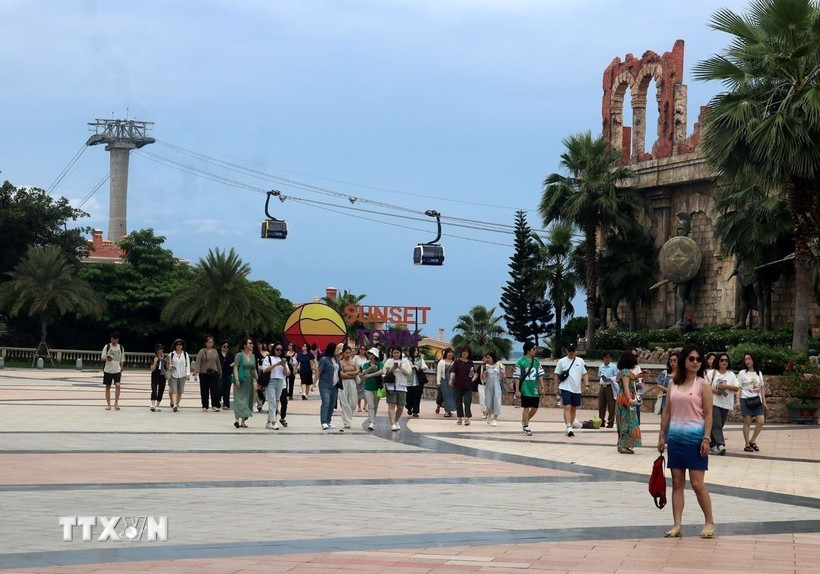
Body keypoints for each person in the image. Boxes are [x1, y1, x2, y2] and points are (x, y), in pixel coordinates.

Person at [658, 344, 715, 539]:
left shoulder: (703, 385)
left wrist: (707, 438)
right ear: (684, 360)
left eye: (699, 359)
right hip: (675, 438)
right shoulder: (673, 383)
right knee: (677, 482)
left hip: (696, 438)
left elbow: (708, 414)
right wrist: (661, 435)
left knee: (698, 484)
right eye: (691, 359)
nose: (695, 362)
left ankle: (709, 522)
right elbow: (667, 411)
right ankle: (677, 525)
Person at [554, 343, 588, 437]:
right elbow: (556, 374)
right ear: (567, 351)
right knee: (567, 407)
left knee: (573, 408)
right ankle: (568, 427)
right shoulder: (561, 361)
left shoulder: (580, 361)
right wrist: (555, 387)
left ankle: (570, 426)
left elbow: (585, 373)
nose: (572, 352)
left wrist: (586, 385)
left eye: (573, 350)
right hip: (565, 387)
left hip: (576, 389)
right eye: (570, 350)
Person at [513, 342, 546, 436]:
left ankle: (525, 420)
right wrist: (517, 390)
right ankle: (526, 426)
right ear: (528, 350)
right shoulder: (520, 361)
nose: (535, 351)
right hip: (525, 388)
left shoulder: (536, 362)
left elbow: (540, 375)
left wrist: (542, 387)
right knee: (526, 408)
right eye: (534, 349)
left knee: (535, 408)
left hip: (534, 388)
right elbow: (517, 377)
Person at [737, 352, 768, 453]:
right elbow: (739, 388)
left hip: (756, 399)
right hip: (745, 399)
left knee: (761, 421)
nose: (747, 361)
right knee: (747, 422)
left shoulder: (759, 373)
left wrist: (764, 401)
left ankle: (752, 441)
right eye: (746, 359)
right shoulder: (742, 373)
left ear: (753, 360)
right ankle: (746, 444)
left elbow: (762, 388)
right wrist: (737, 400)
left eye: (749, 359)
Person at [709, 352, 739, 455]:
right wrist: (715, 391)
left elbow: (736, 387)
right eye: (722, 360)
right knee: (717, 424)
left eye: (726, 360)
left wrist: (725, 387)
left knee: (719, 425)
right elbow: (704, 385)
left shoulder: (731, 375)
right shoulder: (712, 373)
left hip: (726, 403)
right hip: (713, 402)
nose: (724, 362)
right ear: (718, 361)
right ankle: (721, 444)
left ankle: (712, 444)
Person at [615, 351, 642, 454]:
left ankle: (622, 444)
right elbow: (626, 386)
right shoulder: (626, 372)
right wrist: (629, 399)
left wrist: (638, 376)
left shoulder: (622, 371)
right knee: (627, 421)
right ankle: (623, 445)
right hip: (625, 399)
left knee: (624, 421)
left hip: (621, 398)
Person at [262, 342, 290, 430]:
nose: (279, 351)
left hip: (280, 381)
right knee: (272, 402)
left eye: (281, 350)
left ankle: (269, 421)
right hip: (271, 381)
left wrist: (284, 366)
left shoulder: (283, 360)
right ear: (274, 349)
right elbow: (265, 370)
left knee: (276, 401)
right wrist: (276, 364)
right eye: (277, 349)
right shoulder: (268, 358)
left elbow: (287, 373)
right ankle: (274, 422)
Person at [384, 345, 411, 431]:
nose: (396, 354)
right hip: (391, 386)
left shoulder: (405, 361)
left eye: (397, 352)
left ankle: (396, 421)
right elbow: (385, 372)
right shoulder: (389, 361)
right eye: (394, 352)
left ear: (400, 353)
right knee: (391, 405)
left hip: (402, 386)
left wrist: (400, 367)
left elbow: (409, 372)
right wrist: (393, 368)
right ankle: (392, 423)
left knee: (401, 406)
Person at [232, 337, 258, 428]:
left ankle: (243, 421)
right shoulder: (239, 355)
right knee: (239, 399)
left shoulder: (253, 356)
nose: (251, 345)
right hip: (241, 380)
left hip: (249, 381)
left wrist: (257, 379)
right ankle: (236, 420)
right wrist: (237, 379)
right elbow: (235, 367)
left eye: (252, 343)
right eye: (249, 343)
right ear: (244, 345)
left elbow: (254, 368)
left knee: (247, 399)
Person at [317, 342, 342, 431]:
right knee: (326, 403)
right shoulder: (324, 360)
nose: (337, 351)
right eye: (336, 349)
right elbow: (319, 372)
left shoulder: (337, 360)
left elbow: (339, 372)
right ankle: (323, 422)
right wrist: (313, 383)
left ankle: (328, 421)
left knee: (332, 404)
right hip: (324, 385)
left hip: (334, 386)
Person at [196, 335, 223, 412]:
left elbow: (218, 362)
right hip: (204, 373)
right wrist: (196, 371)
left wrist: (220, 371)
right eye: (209, 342)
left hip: (213, 373)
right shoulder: (202, 351)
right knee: (204, 389)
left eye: (212, 342)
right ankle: (205, 405)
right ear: (205, 343)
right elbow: (198, 361)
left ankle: (214, 405)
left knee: (214, 389)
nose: (211, 344)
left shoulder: (215, 351)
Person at [449, 346, 475, 425]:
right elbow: (453, 372)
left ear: (468, 353)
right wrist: (451, 380)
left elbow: (472, 374)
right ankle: (460, 418)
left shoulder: (470, 362)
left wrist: (472, 373)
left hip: (467, 385)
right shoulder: (457, 362)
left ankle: (467, 418)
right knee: (458, 402)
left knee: (467, 401)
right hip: (458, 385)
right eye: (463, 351)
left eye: (466, 352)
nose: (465, 353)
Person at [361, 347, 384, 431]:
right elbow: (363, 373)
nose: (369, 355)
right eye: (369, 353)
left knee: (375, 405)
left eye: (371, 354)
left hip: (377, 387)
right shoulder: (366, 364)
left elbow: (382, 371)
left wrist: (371, 375)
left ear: (375, 355)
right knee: (370, 405)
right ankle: (372, 422)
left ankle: (372, 420)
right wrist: (370, 368)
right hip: (368, 387)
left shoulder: (379, 363)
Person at [101, 331, 125, 410]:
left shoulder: (121, 347)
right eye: (112, 339)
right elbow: (102, 357)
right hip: (108, 370)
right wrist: (107, 358)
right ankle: (108, 404)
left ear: (117, 339)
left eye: (114, 339)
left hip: (117, 370)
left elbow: (122, 360)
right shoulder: (107, 346)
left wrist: (121, 369)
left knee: (118, 385)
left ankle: (116, 403)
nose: (113, 341)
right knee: (108, 387)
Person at [338, 345, 359, 430]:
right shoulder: (341, 362)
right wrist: (352, 374)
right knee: (344, 402)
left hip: (352, 383)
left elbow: (357, 371)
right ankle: (347, 422)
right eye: (346, 352)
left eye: (349, 352)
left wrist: (350, 374)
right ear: (343, 353)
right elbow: (342, 375)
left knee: (353, 402)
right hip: (343, 383)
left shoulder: (353, 362)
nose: (348, 354)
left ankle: (348, 416)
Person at [480, 352, 504, 426]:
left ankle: (495, 419)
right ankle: (489, 414)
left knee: (496, 401)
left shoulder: (499, 365)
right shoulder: (486, 366)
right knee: (488, 401)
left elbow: (504, 376)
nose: (487, 359)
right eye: (486, 358)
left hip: (497, 386)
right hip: (488, 385)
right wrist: (484, 370)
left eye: (489, 357)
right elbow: (483, 379)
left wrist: (502, 375)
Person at [167, 338, 190, 412]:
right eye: (177, 345)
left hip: (182, 375)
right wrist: (171, 366)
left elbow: (187, 365)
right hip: (173, 374)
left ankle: (177, 404)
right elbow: (168, 365)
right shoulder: (171, 354)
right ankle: (174, 405)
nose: (179, 346)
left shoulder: (185, 354)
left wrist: (188, 374)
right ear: (175, 346)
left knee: (180, 391)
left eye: (180, 344)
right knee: (174, 390)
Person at [406, 346, 429, 418]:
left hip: (418, 382)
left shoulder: (420, 359)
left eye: (417, 350)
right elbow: (405, 367)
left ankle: (415, 411)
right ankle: (409, 407)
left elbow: (425, 367)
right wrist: (414, 366)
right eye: (414, 350)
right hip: (409, 382)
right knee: (409, 397)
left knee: (417, 397)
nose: (416, 352)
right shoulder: (406, 359)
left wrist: (419, 367)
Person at [598, 352, 618, 429]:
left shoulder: (613, 367)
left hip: (610, 386)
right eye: (605, 357)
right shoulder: (601, 366)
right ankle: (601, 421)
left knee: (611, 405)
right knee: (601, 405)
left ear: (611, 358)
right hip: (602, 386)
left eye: (608, 357)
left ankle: (610, 422)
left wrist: (609, 379)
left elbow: (616, 377)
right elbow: (599, 375)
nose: (607, 359)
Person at [435, 348, 456, 417]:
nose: (450, 354)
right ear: (446, 354)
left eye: (452, 352)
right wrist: (438, 382)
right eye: (449, 352)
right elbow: (439, 373)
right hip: (444, 381)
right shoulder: (441, 362)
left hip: (453, 381)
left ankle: (449, 410)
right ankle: (447, 411)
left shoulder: (454, 362)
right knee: (446, 396)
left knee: (452, 396)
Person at [149, 343, 167, 412]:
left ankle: (158, 405)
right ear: (156, 350)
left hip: (162, 376)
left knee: (161, 390)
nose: (162, 350)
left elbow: (167, 368)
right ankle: (153, 404)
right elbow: (152, 369)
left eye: (162, 349)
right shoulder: (153, 358)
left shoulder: (164, 358)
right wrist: (155, 362)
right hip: (155, 376)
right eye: (160, 349)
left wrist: (168, 362)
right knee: (154, 389)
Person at [254, 340, 270, 413]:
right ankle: (259, 404)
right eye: (258, 345)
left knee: (264, 388)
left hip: (266, 372)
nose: (259, 346)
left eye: (260, 344)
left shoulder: (268, 354)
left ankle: (262, 401)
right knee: (257, 388)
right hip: (258, 371)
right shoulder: (256, 354)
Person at [218, 340, 234, 410]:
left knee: (227, 389)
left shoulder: (231, 354)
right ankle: (217, 401)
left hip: (228, 373)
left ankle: (226, 404)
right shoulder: (217, 353)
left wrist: (233, 364)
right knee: (219, 388)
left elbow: (235, 361)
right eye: (224, 346)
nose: (226, 348)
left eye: (227, 346)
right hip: (219, 374)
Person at [353, 345, 369, 413]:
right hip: (359, 375)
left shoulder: (367, 358)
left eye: (363, 349)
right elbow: (353, 364)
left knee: (366, 391)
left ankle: (365, 405)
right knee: (358, 391)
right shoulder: (356, 357)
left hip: (366, 375)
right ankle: (359, 406)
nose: (362, 350)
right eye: (361, 349)